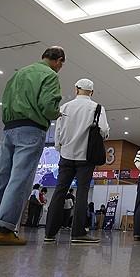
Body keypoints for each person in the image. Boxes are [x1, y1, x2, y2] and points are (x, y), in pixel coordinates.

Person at [0, 46, 64, 246]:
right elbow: (48, 107)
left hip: (9, 128)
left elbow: (5, 100)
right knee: (20, 179)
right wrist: (56, 113)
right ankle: (5, 230)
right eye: (60, 64)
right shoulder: (50, 75)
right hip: (31, 129)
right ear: (58, 61)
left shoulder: (20, 73)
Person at [45, 78, 110, 244]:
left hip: (66, 155)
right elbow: (104, 131)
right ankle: (78, 233)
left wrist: (60, 148)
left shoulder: (65, 107)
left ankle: (50, 232)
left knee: (60, 191)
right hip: (85, 156)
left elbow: (57, 132)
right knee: (82, 192)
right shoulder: (97, 108)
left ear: (76, 89)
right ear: (92, 92)